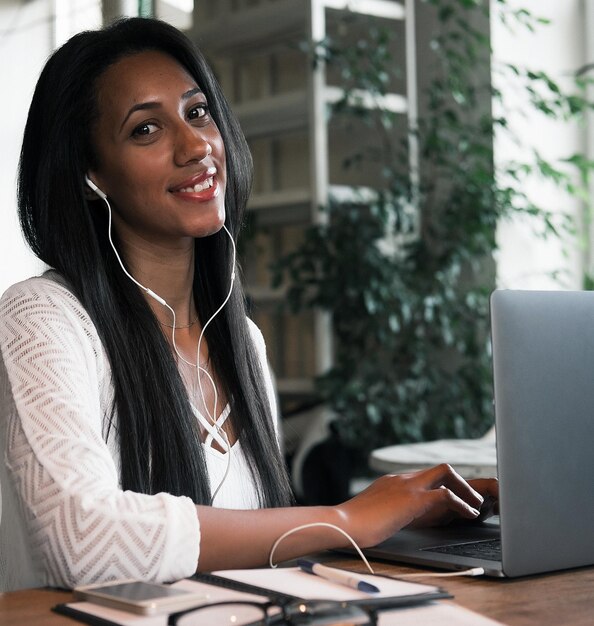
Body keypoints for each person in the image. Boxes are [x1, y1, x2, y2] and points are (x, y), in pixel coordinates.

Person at [0, 17, 498, 592]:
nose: (194, 147)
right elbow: (83, 544)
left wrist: (402, 514)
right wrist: (344, 519)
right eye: (145, 130)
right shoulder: (43, 320)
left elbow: (259, 548)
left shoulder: (242, 342)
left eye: (197, 112)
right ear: (92, 174)